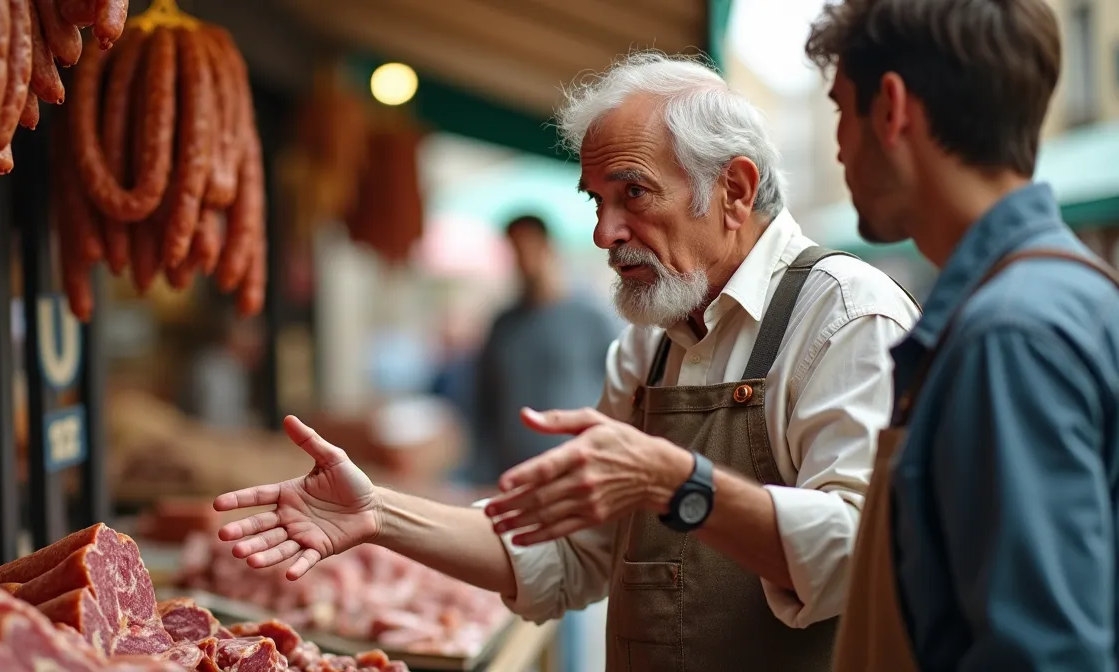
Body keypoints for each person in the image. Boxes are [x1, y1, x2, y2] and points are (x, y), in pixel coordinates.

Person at [213, 53, 919, 671]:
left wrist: (679, 483)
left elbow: (860, 560)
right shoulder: (651, 343)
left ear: (734, 190)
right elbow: (572, 554)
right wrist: (377, 515)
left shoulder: (850, 319)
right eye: (598, 200)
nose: (604, 233)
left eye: (633, 194)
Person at [803, 1, 1119, 670]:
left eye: (839, 108)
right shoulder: (1071, 296)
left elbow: (1043, 658)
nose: (837, 145)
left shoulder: (1006, 338)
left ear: (890, 108)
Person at [469, 214, 618, 484]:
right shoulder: (503, 326)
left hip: (578, 470)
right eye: (515, 249)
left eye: (530, 247)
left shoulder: (590, 319)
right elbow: (485, 405)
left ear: (549, 248)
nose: (524, 259)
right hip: (513, 472)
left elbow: (621, 392)